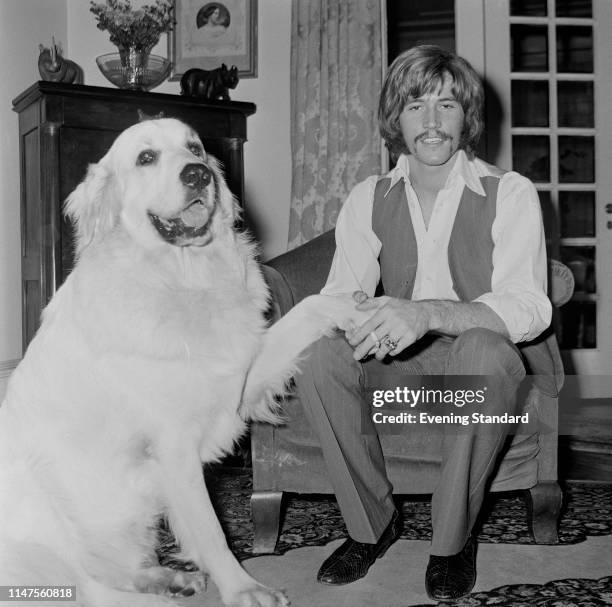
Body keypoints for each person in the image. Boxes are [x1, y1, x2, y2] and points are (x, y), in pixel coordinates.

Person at [294, 44, 562, 601]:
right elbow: (342, 295)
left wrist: (426, 313)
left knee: (484, 349)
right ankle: (373, 527)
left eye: (447, 105)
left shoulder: (509, 193)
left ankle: (452, 540)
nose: (432, 122)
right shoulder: (368, 198)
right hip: (402, 389)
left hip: (478, 384)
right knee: (320, 353)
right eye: (416, 106)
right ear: (397, 118)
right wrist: (357, 319)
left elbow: (530, 307)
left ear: (467, 117)